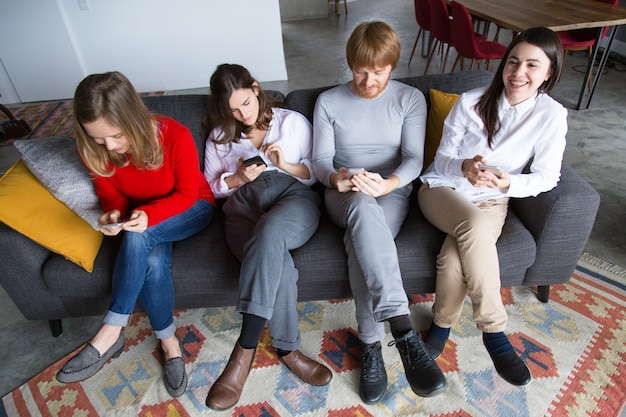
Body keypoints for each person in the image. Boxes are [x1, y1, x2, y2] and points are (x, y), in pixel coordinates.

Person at [418, 27, 567, 387]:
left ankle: (439, 326)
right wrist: (464, 166)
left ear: (549, 72)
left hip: (493, 198)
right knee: (471, 224)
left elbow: (548, 177)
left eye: (533, 65)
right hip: (443, 188)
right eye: (513, 62)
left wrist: (510, 183)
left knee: (454, 257)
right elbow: (441, 162)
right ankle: (494, 331)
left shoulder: (551, 115)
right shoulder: (470, 102)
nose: (519, 73)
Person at [56, 71, 216, 398]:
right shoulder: (92, 146)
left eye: (115, 136)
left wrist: (148, 215)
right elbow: (111, 194)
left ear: (131, 119)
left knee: (139, 237)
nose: (109, 146)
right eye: (99, 140)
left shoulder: (174, 134)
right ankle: (170, 344)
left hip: (192, 207)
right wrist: (113, 214)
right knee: (153, 263)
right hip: (141, 219)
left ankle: (110, 331)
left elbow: (187, 195)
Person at [312, 21, 447, 404]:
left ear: (394, 65)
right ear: (349, 63)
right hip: (344, 193)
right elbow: (320, 159)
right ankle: (403, 332)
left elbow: (413, 159)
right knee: (358, 207)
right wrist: (335, 178)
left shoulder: (409, 99)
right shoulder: (329, 101)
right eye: (360, 70)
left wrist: (387, 185)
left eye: (380, 70)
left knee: (363, 241)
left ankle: (371, 343)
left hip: (389, 192)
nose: (369, 80)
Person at [202, 64, 332, 411]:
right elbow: (210, 189)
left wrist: (285, 164)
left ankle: (242, 353)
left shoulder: (291, 122)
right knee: (281, 268)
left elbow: (318, 172)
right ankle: (289, 350)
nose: (242, 114)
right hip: (243, 206)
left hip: (293, 196)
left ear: (256, 89)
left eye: (246, 103)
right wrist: (237, 178)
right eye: (232, 109)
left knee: (271, 230)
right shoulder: (219, 136)